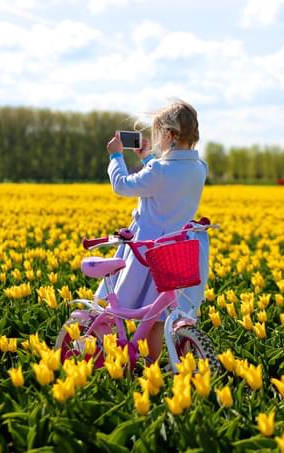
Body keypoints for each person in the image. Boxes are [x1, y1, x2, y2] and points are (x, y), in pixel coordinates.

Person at [93, 99, 209, 362]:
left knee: (139, 309)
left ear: (169, 135)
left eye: (158, 135)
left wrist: (115, 157)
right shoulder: (199, 168)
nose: (155, 140)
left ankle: (138, 366)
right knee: (163, 315)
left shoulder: (159, 169)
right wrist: (148, 157)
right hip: (179, 249)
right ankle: (165, 367)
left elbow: (123, 185)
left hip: (148, 251)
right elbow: (168, 179)